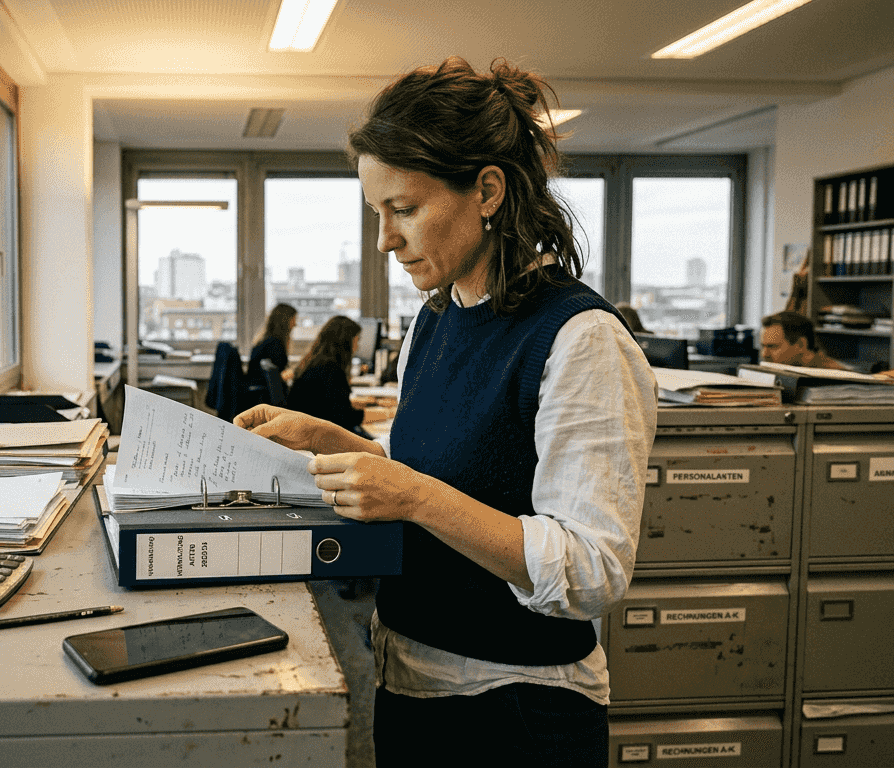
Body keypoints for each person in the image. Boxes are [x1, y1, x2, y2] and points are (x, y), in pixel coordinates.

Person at [234, 57, 656, 766]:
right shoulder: (437, 320)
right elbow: (423, 470)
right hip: (410, 676)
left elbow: (591, 570)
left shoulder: (580, 339)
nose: (385, 240)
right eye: (377, 214)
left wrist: (415, 494)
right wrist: (327, 438)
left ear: (487, 190)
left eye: (404, 209)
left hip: (514, 708)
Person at [285, 316, 374, 433]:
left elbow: (331, 404)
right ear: (346, 342)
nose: (358, 346)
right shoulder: (330, 369)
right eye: (357, 340)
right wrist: (390, 413)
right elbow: (346, 417)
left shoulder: (317, 363)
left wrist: (372, 403)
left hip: (306, 430)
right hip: (317, 435)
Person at [760, 311, 847, 369]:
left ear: (801, 344)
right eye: (763, 346)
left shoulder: (834, 376)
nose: (764, 354)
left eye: (773, 347)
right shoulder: (786, 371)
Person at [246, 303, 297, 396]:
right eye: (293, 320)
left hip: (261, 391)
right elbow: (278, 376)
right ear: (285, 322)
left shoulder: (266, 340)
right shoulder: (274, 344)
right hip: (265, 394)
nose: (295, 324)